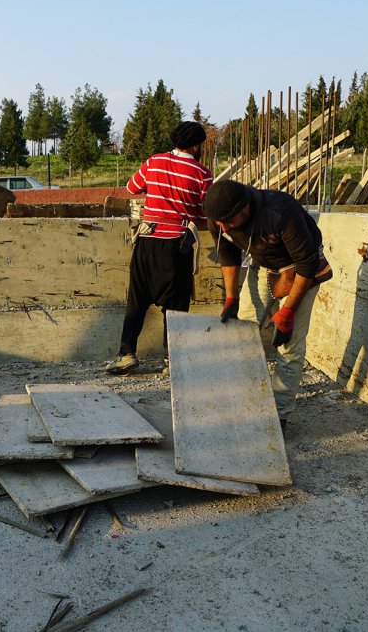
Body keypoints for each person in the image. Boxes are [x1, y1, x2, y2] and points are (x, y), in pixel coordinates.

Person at [203, 178, 333, 422]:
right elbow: (228, 254)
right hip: (264, 267)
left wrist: (287, 313)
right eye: (219, 223)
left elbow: (307, 266)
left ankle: (279, 415)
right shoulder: (219, 217)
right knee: (243, 334)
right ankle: (246, 402)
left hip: (301, 271)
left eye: (228, 222)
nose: (224, 228)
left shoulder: (280, 212)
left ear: (244, 208)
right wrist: (231, 297)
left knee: (289, 346)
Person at [106, 121, 213, 374]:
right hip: (178, 244)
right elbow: (203, 215)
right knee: (176, 306)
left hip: (147, 240)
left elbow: (132, 188)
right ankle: (171, 359)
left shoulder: (154, 161)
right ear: (196, 146)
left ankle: (127, 354)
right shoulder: (202, 173)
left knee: (137, 299)